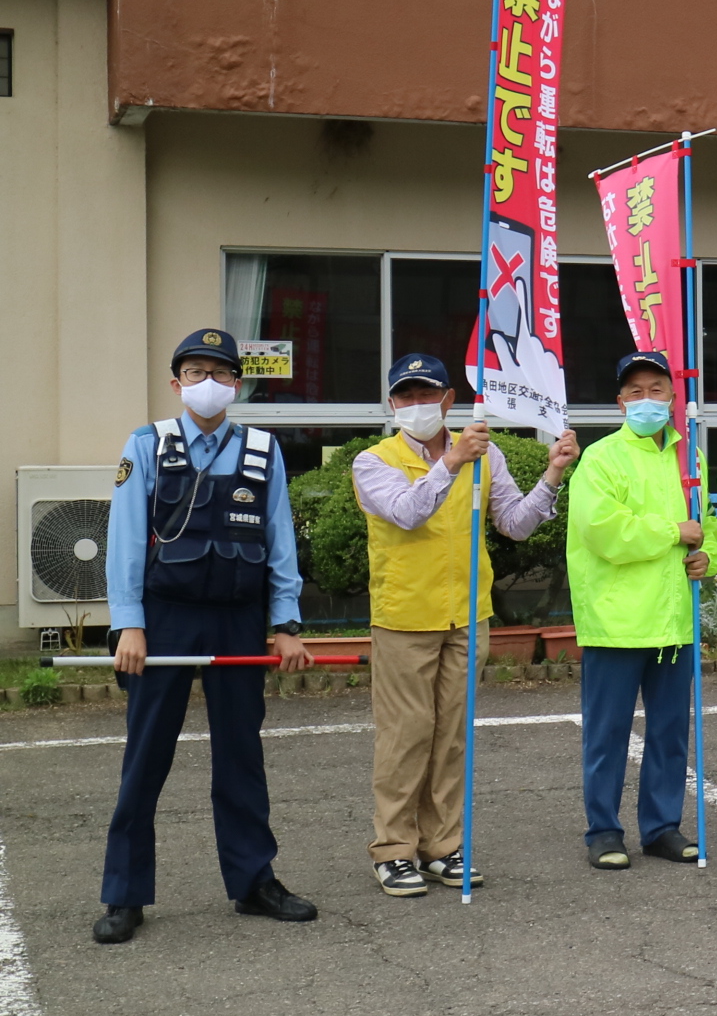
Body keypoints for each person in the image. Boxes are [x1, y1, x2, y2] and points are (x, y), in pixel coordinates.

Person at [94, 328, 318, 945]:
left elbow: (279, 542)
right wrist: (128, 623)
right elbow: (124, 541)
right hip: (164, 620)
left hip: (238, 619)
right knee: (146, 758)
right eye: (195, 372)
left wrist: (286, 623)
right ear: (176, 383)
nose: (208, 383)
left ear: (237, 384)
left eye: (219, 373)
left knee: (242, 755)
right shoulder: (146, 445)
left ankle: (253, 881)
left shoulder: (262, 449)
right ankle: (124, 892)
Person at [350, 351, 573, 896]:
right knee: (406, 737)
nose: (417, 404)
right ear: (391, 403)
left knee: (451, 737)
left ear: (449, 398)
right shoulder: (372, 461)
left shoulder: (485, 453)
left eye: (428, 393)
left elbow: (516, 525)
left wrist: (552, 474)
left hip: (467, 615)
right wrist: (450, 463)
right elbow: (405, 512)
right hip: (405, 617)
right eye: (406, 395)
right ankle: (394, 850)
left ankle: (442, 846)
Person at [568, 351, 717, 867]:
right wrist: (673, 534)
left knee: (668, 732)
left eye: (656, 389)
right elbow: (603, 530)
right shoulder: (602, 458)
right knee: (608, 733)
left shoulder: (689, 461)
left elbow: (710, 530)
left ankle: (661, 827)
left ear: (673, 398)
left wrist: (707, 557)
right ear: (619, 403)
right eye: (634, 392)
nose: (646, 400)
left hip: (673, 618)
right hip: (616, 620)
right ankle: (603, 831)